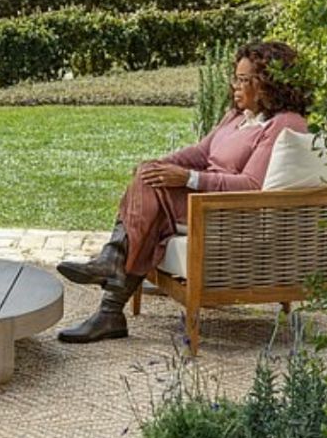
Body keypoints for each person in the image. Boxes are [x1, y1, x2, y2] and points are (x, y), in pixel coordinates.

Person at [55, 41, 311, 344]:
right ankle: (110, 302)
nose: (235, 86)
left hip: (225, 209)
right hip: (200, 198)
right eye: (236, 77)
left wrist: (188, 178)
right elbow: (201, 152)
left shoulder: (283, 124)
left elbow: (251, 185)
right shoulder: (238, 116)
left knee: (150, 191)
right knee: (149, 184)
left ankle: (112, 273)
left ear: (268, 83)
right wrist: (160, 164)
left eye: (244, 79)